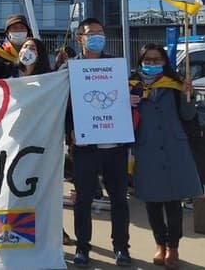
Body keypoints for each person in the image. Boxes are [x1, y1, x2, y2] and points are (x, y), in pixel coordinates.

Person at [62, 18, 132, 267]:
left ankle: (121, 248)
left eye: (100, 33)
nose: (96, 38)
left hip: (115, 147)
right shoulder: (70, 69)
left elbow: (132, 94)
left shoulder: (116, 66)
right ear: (80, 37)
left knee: (119, 200)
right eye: (91, 34)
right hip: (85, 147)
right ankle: (82, 247)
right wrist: (69, 130)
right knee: (83, 200)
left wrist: (132, 98)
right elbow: (62, 106)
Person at [129, 43, 202, 270]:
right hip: (147, 149)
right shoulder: (131, 86)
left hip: (174, 149)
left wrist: (187, 95)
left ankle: (173, 248)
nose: (152, 64)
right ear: (140, 62)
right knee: (152, 203)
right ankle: (159, 244)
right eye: (147, 60)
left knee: (173, 203)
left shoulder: (175, 84)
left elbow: (188, 115)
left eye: (157, 59)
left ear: (164, 61)